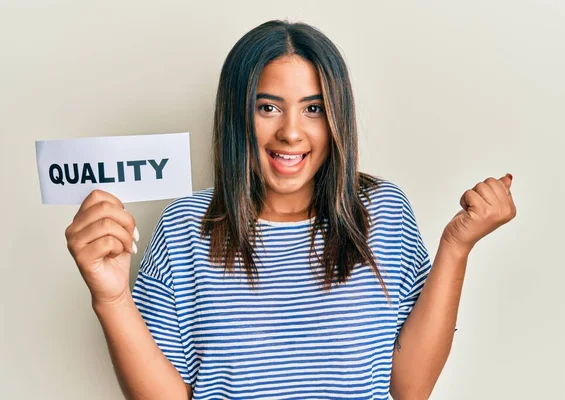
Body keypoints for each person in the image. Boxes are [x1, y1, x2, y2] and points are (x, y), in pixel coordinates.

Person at [64, 19, 516, 400]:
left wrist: (456, 247)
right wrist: (112, 298)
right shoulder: (184, 227)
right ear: (237, 116)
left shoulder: (383, 211)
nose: (292, 133)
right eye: (268, 107)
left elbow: (410, 387)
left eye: (313, 108)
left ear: (337, 116)